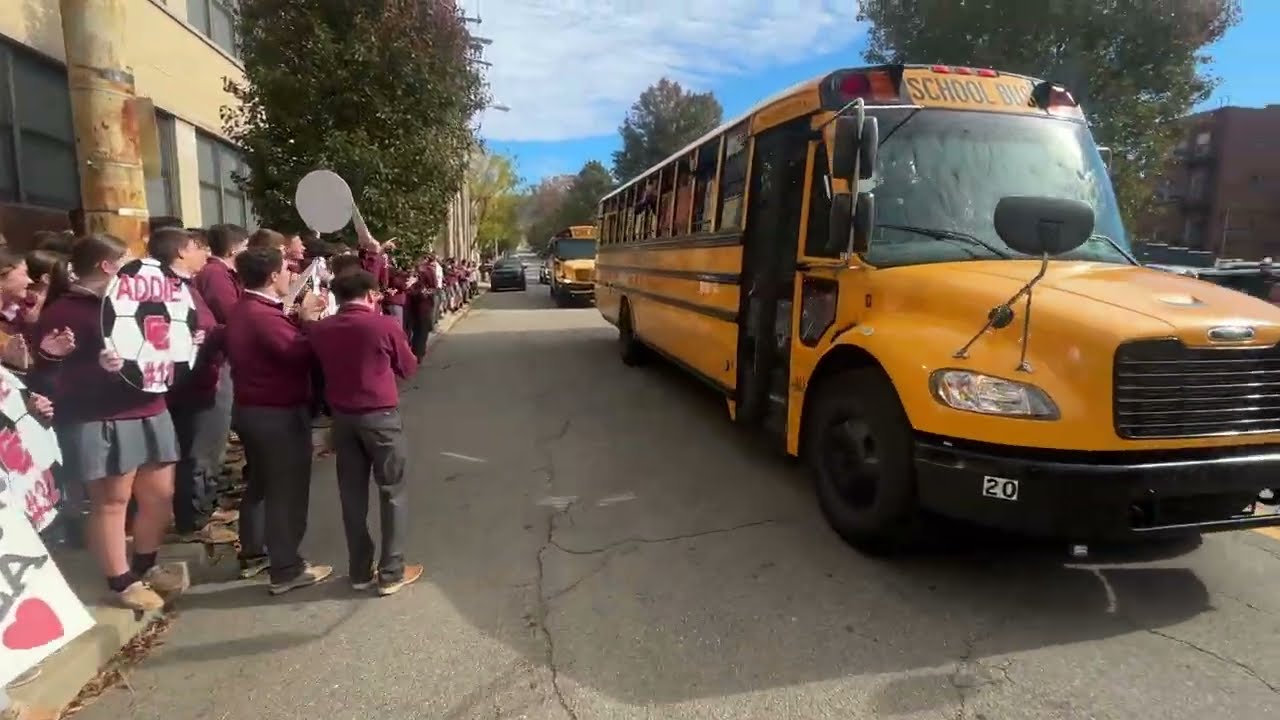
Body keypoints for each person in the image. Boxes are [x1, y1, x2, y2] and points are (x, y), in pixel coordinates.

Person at [35, 234, 187, 611]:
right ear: (106, 265)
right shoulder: (64, 311)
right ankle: (120, 581)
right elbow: (49, 379)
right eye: (126, 260)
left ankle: (146, 564)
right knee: (111, 502)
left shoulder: (139, 301)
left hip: (149, 407)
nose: (135, 268)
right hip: (100, 416)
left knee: (159, 495)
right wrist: (94, 369)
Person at [224, 246, 332, 593]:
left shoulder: (245, 309)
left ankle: (255, 551)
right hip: (277, 413)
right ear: (272, 276)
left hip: (252, 410)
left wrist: (298, 319)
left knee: (260, 484)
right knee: (287, 491)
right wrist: (311, 325)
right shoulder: (263, 316)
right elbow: (297, 354)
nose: (291, 275)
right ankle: (287, 568)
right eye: (287, 270)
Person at [308, 269, 422, 595]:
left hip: (342, 419)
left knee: (352, 496)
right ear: (372, 295)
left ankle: (359, 570)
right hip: (381, 417)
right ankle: (391, 571)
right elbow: (408, 367)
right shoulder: (384, 325)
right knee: (392, 492)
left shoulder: (321, 329)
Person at [151, 229, 238, 545]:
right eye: (197, 247)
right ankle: (194, 521)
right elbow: (191, 334)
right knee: (198, 451)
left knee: (203, 450)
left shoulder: (184, 285)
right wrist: (229, 331)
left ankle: (202, 508)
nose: (205, 253)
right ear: (180, 252)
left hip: (203, 376)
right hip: (195, 382)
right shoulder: (168, 289)